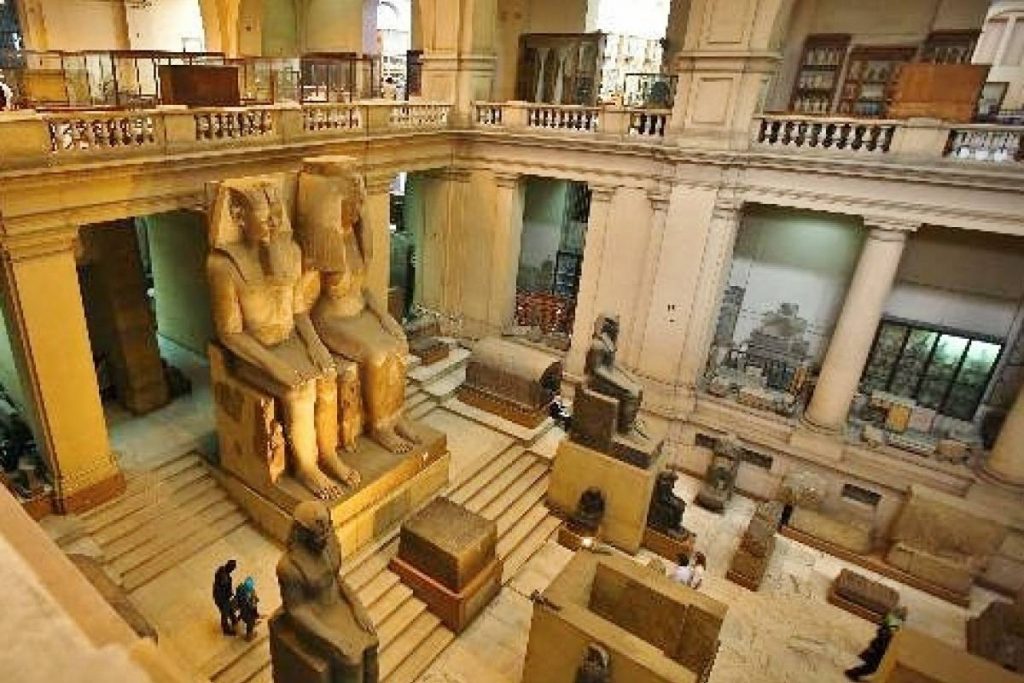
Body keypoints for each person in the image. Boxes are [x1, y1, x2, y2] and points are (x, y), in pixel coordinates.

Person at [845, 606, 907, 681]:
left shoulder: (890, 620)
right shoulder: (894, 623)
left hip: (878, 647)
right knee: (873, 666)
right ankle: (853, 672)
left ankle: (853, 672)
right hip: (879, 648)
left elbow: (883, 630)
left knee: (873, 666)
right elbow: (887, 634)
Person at [212, 559, 238, 635]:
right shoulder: (225, 579)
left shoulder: (221, 569)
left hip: (218, 596)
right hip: (222, 599)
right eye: (233, 568)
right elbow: (225, 591)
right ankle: (226, 630)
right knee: (224, 613)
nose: (233, 570)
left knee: (228, 609)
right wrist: (230, 595)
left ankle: (233, 619)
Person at [235, 576, 261, 640]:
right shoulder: (249, 597)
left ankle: (251, 623)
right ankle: (249, 636)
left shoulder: (240, 589)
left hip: (243, 611)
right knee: (250, 624)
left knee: (247, 618)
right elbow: (252, 607)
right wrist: (255, 600)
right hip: (248, 614)